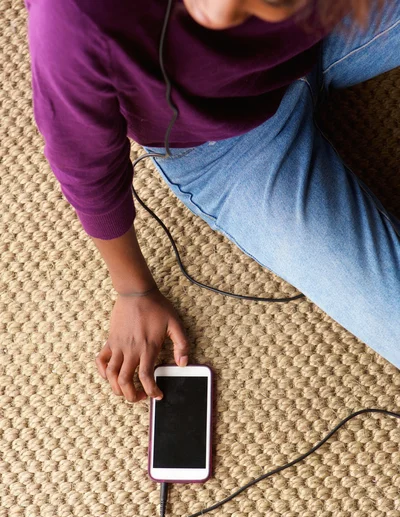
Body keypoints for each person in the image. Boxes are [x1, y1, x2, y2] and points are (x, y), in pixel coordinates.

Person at [25, 0, 400, 404]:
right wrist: (133, 288)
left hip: (328, 29)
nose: (218, 16)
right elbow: (84, 163)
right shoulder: (74, 12)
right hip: (222, 148)